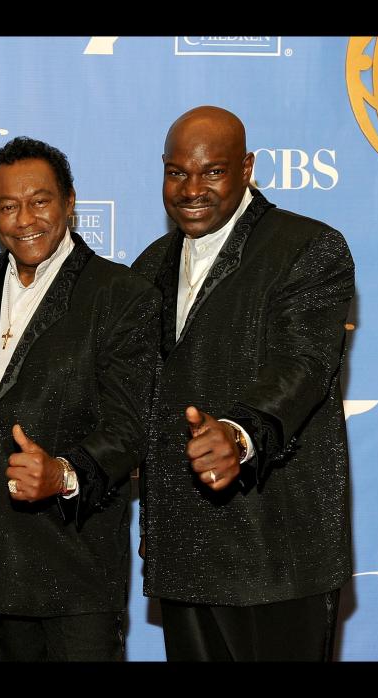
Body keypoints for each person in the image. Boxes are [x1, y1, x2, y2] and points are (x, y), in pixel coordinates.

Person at [132, 105, 354, 661]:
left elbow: (302, 365)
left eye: (212, 171)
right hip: (183, 550)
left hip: (276, 551)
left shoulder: (307, 247)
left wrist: (240, 433)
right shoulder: (149, 265)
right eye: (176, 171)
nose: (190, 188)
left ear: (248, 168)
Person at [0, 136, 160, 661]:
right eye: (8, 206)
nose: (25, 219)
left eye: (40, 201)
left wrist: (65, 472)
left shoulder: (120, 295)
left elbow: (131, 429)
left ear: (69, 201)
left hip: (73, 570)